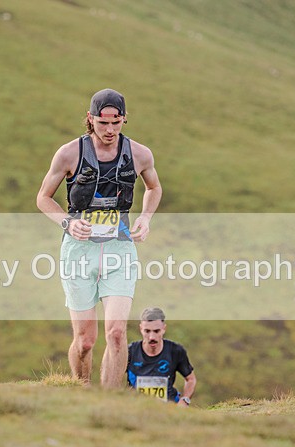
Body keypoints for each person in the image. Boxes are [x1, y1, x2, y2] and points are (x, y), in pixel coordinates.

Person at [36, 88, 163, 388]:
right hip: (79, 252)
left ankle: (108, 400)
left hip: (120, 249)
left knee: (117, 333)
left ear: (124, 120)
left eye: (116, 123)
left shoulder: (140, 154)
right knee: (85, 340)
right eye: (102, 123)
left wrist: (145, 218)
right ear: (90, 119)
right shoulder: (69, 153)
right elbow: (43, 198)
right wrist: (67, 223)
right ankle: (82, 392)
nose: (109, 130)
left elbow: (154, 188)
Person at [127, 307, 196, 407]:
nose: (152, 337)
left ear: (164, 329)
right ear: (140, 329)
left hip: (169, 408)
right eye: (147, 331)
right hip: (137, 409)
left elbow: (191, 379)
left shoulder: (175, 351)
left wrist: (185, 400)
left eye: (156, 331)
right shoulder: (130, 352)